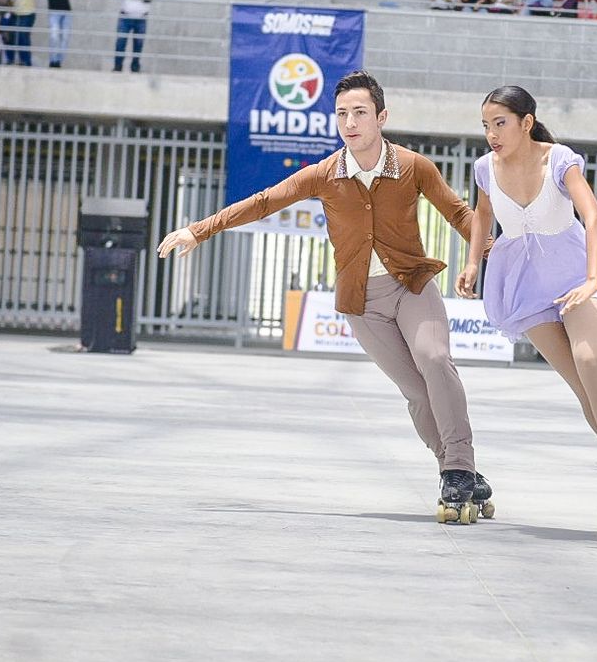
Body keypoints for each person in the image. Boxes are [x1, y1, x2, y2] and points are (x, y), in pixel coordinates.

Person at [158, 72, 493, 522]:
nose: (350, 123)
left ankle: (458, 467)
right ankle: (457, 471)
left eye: (360, 113)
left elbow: (460, 214)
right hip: (362, 302)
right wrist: (199, 230)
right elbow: (265, 201)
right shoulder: (325, 173)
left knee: (434, 359)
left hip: (412, 285)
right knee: (416, 392)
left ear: (381, 117)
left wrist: (495, 251)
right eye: (341, 114)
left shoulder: (413, 166)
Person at [456, 86, 597, 540]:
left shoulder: (559, 160)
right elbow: (483, 215)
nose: (492, 134)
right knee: (583, 389)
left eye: (500, 124)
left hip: (576, 279)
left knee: (591, 361)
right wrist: (472, 262)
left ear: (526, 123)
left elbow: (594, 218)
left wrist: (592, 279)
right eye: (486, 126)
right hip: (528, 288)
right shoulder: (485, 168)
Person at [113, 0, 156, 72]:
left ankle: (135, 67)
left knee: (138, 44)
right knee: (121, 42)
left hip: (141, 17)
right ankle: (118, 66)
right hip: (126, 16)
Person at [40, 0, 77, 68]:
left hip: (66, 10)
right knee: (54, 35)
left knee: (65, 37)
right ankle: (53, 60)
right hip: (53, 10)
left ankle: (58, 62)